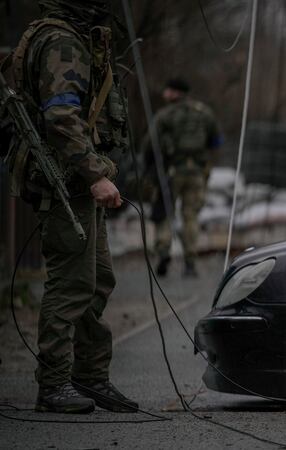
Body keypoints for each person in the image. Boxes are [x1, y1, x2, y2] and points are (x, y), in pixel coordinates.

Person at [2, 0, 136, 413]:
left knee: (96, 279)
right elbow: (61, 116)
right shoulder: (62, 41)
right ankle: (55, 383)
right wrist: (95, 174)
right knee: (71, 281)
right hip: (66, 180)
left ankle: (90, 376)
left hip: (75, 180)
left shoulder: (66, 34)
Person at [148, 78, 222, 277]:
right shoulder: (204, 113)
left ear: (174, 93)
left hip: (171, 171)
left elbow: (150, 144)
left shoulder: (165, 115)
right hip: (197, 172)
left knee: (164, 212)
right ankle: (190, 261)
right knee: (191, 216)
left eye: (168, 90)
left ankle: (163, 251)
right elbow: (216, 140)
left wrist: (149, 168)